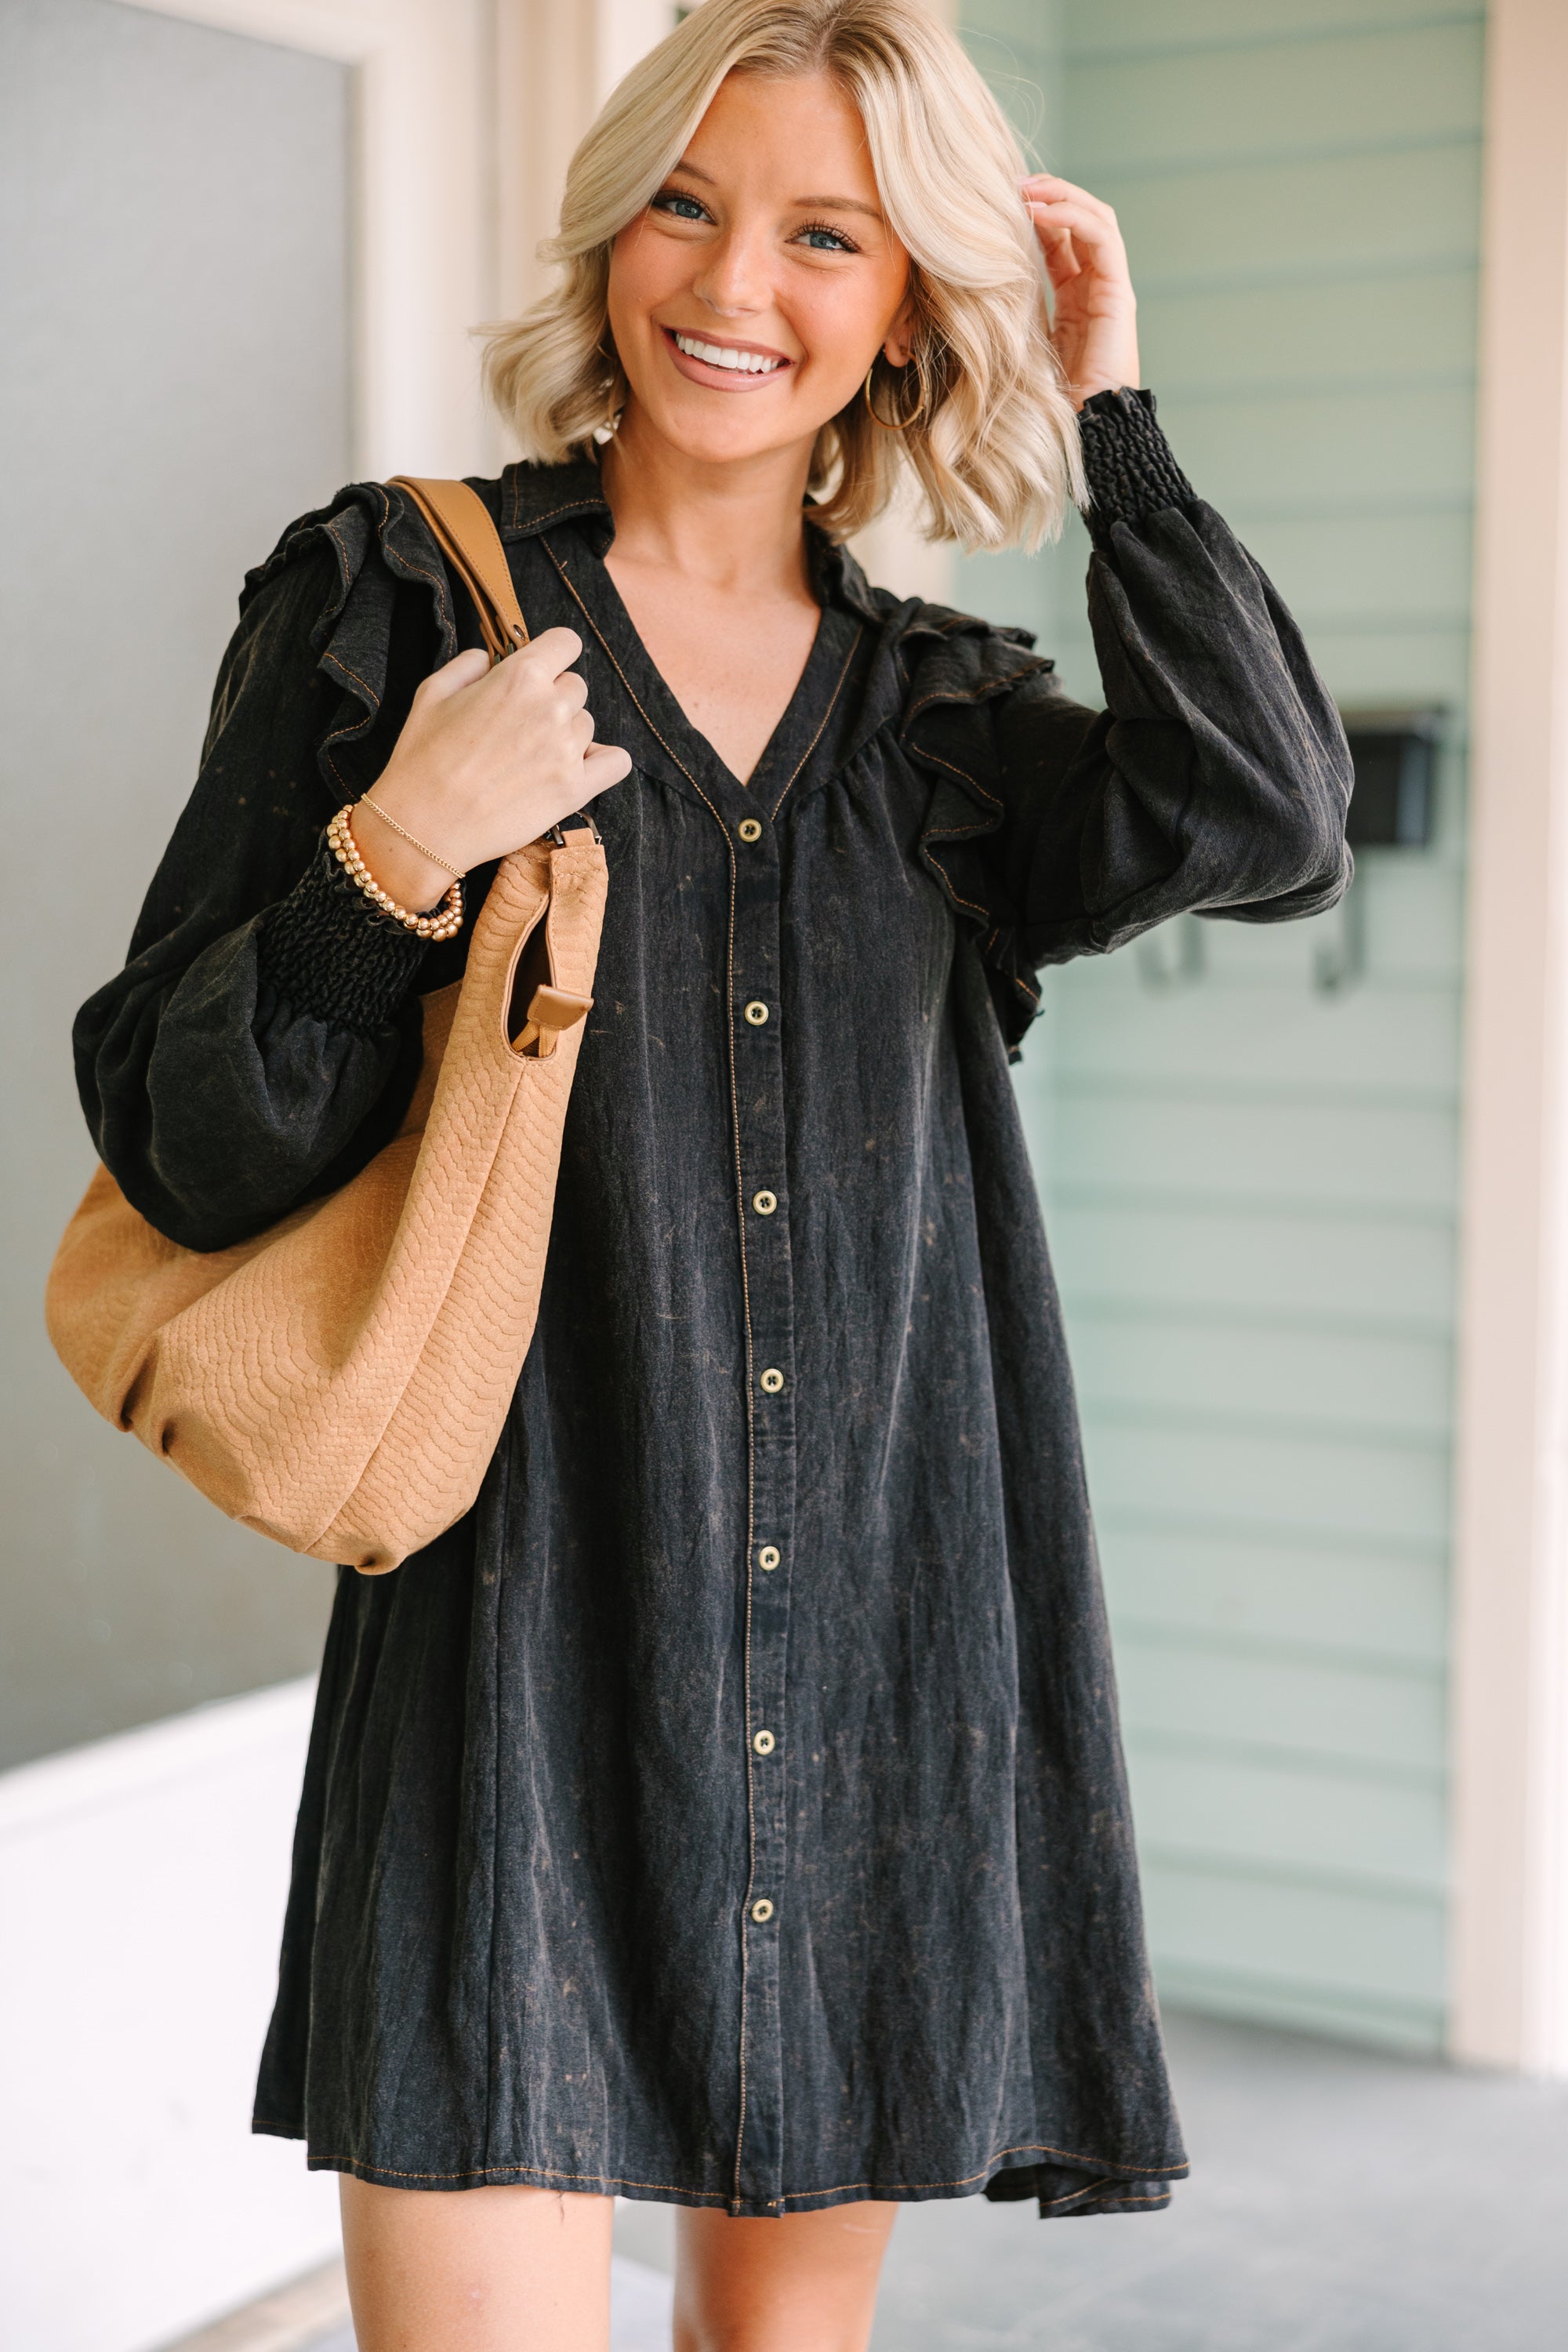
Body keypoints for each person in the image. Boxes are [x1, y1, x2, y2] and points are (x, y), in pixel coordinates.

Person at [71, 2, 1351, 2346]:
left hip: (865, 1656)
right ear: (612, 224)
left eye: (826, 233)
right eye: (689, 198)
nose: (733, 282)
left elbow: (1265, 813)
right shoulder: (399, 600)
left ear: (904, 310)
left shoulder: (952, 724)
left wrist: (1120, 423)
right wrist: (393, 858)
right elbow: (175, 1127)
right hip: (513, 1669)